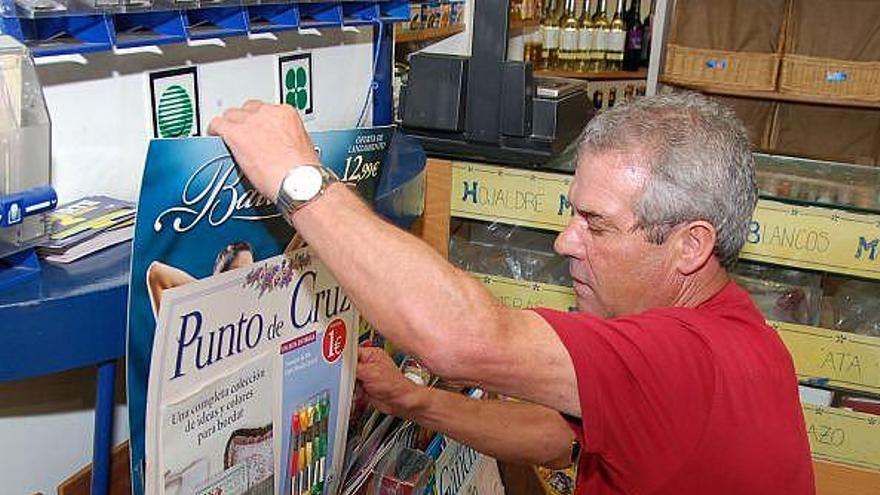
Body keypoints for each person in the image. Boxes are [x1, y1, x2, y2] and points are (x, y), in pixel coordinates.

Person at [208, 92, 815, 494]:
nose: (564, 243)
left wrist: (297, 176)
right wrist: (412, 402)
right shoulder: (730, 327)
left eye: (595, 224)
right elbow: (555, 436)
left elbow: (462, 339)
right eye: (573, 214)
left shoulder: (681, 361)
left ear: (689, 245)